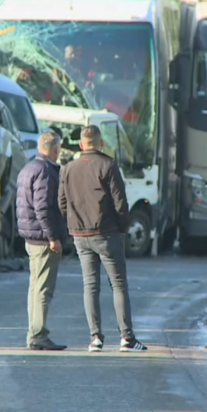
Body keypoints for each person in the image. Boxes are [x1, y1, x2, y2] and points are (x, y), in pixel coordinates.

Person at [59, 125, 148, 352]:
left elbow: (62, 202)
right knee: (118, 284)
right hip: (106, 232)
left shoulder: (68, 169)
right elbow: (120, 202)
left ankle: (95, 338)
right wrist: (122, 228)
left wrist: (72, 225)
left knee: (90, 285)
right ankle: (127, 338)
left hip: (80, 234)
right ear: (101, 144)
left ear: (81, 145)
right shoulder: (108, 165)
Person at [16, 132, 67, 351]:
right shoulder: (46, 171)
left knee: (35, 287)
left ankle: (34, 332)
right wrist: (53, 237)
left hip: (31, 237)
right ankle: (38, 334)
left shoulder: (29, 168)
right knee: (43, 289)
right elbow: (43, 208)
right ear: (55, 150)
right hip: (43, 239)